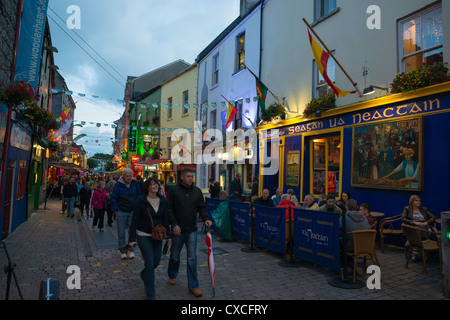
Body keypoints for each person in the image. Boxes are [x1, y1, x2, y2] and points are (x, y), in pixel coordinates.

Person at [167, 168, 212, 297]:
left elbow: (201, 207)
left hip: (192, 230)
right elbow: (169, 209)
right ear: (181, 177)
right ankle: (172, 274)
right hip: (178, 230)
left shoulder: (197, 191)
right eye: (188, 176)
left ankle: (193, 286)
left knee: (192, 258)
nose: (190, 179)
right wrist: (174, 224)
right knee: (175, 255)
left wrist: (206, 218)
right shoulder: (173, 191)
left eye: (192, 176)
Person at [129, 177, 170, 300]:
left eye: (156, 183)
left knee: (156, 261)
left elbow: (165, 218)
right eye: (152, 184)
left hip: (158, 235)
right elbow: (134, 220)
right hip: (143, 235)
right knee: (150, 262)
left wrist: (168, 235)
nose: (155, 186)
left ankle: (144, 274)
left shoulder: (162, 200)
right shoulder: (140, 201)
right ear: (147, 187)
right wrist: (132, 239)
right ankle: (150, 292)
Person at [111, 168, 142, 259]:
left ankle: (131, 250)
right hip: (121, 211)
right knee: (121, 233)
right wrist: (116, 208)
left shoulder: (135, 183)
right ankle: (123, 251)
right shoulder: (118, 185)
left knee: (132, 232)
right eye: (127, 176)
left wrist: (137, 207)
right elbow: (114, 197)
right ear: (123, 176)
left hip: (132, 211)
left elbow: (139, 195)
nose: (129, 177)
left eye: (130, 176)